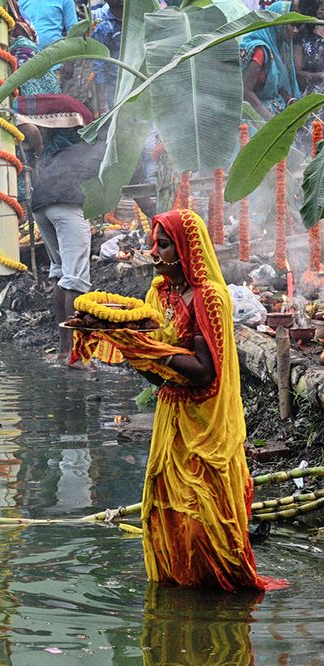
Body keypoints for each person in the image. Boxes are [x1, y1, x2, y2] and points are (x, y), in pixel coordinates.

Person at [134, 210, 284, 590]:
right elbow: (157, 375)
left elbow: (204, 370)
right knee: (165, 506)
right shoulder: (159, 294)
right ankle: (178, 588)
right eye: (154, 243)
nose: (155, 252)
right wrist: (133, 352)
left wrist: (153, 351)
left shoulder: (209, 297)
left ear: (185, 249)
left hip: (206, 420)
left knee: (203, 514)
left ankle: (215, 591)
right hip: (172, 418)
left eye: (163, 245)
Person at [21, 95, 104, 363]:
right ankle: (76, 355)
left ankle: (63, 348)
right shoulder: (100, 149)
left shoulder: (58, 152)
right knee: (76, 278)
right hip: (65, 204)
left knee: (60, 273)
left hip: (40, 204)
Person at [241, 1, 300, 120]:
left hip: (274, 108)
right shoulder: (260, 51)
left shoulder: (277, 49)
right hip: (254, 116)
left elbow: (277, 83)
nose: (295, 30)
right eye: (292, 25)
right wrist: (270, 120)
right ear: (279, 24)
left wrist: (289, 100)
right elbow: (246, 92)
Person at [91, 1, 123, 110]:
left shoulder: (140, 18)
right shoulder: (104, 27)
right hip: (116, 83)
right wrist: (101, 105)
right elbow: (99, 65)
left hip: (140, 80)